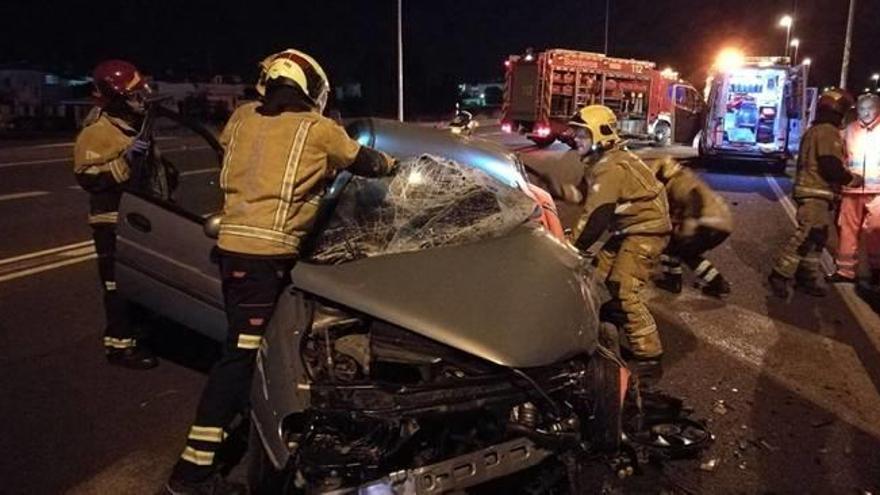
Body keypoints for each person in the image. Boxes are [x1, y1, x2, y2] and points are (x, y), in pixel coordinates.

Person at [166, 49, 396, 495]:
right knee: (238, 358)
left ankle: (252, 425)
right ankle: (190, 474)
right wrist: (395, 166)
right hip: (264, 258)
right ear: (313, 89)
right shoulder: (317, 129)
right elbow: (367, 163)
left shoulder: (241, 119)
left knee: (255, 348)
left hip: (234, 249)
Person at [566, 105, 671, 382]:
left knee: (625, 290)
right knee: (596, 277)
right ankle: (608, 326)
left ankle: (649, 356)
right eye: (575, 132)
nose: (574, 137)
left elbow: (597, 216)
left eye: (581, 133)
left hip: (646, 232)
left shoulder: (610, 167)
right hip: (627, 230)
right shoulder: (602, 161)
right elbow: (587, 204)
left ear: (601, 135)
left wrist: (572, 249)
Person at [72, 59, 158, 370]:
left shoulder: (134, 126)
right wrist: (125, 161)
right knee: (117, 286)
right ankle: (120, 347)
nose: (141, 98)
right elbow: (89, 177)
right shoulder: (98, 131)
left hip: (137, 219)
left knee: (139, 285)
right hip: (111, 221)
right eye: (135, 94)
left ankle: (138, 333)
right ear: (118, 96)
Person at [769, 88, 863, 299]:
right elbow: (830, 165)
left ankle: (808, 277)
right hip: (815, 193)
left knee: (817, 238)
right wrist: (852, 179)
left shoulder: (816, 130)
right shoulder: (828, 132)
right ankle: (780, 274)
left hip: (815, 192)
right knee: (806, 235)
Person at [651, 157, 734, 298]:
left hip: (709, 225)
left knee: (679, 251)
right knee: (681, 250)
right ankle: (716, 284)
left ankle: (716, 284)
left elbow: (694, 207)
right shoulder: (685, 177)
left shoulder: (679, 184)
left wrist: (683, 233)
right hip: (720, 223)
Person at [829, 93, 880, 287]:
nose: (865, 113)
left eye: (870, 109)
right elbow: (839, 155)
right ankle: (845, 270)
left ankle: (877, 271)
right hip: (852, 189)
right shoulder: (849, 130)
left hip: (877, 191)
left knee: (876, 229)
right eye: (862, 109)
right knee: (847, 230)